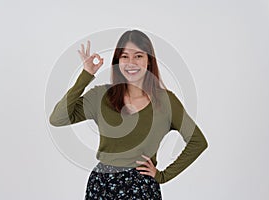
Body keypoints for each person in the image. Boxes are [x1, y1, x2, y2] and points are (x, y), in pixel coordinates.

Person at [49, 29, 208, 199]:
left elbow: (197, 142)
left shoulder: (165, 101)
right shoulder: (101, 96)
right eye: (124, 56)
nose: (131, 62)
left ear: (149, 61)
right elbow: (58, 118)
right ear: (118, 61)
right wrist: (86, 75)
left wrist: (163, 176)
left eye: (138, 56)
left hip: (142, 189)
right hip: (102, 187)